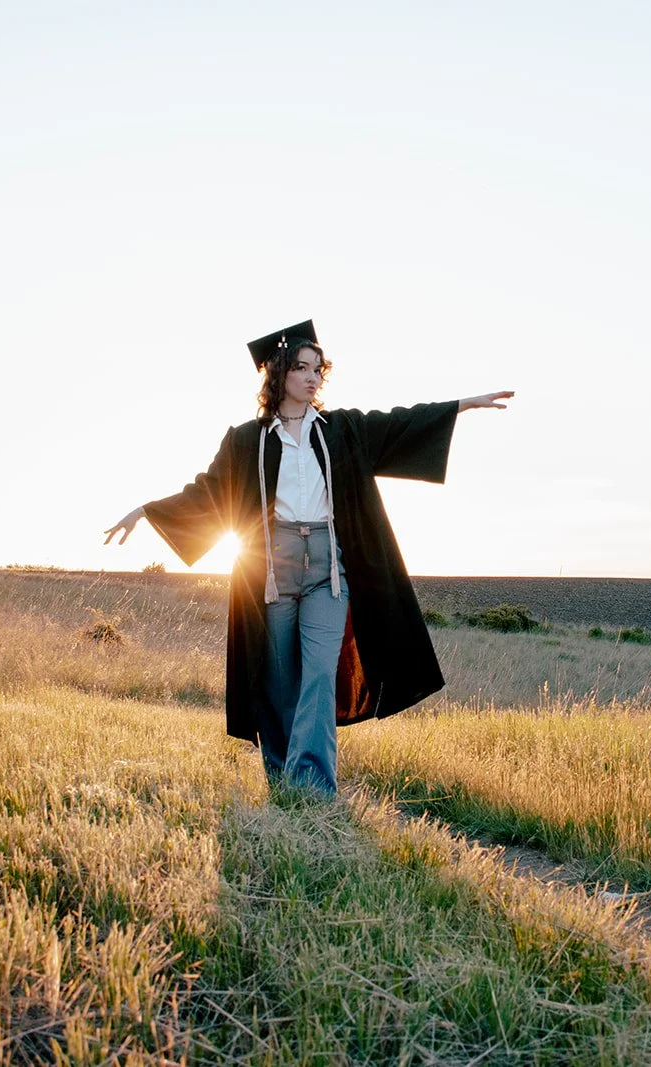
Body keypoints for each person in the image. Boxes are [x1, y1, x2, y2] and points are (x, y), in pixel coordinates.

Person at [104, 320, 512, 797]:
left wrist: (461, 405)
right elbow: (209, 491)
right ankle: (281, 779)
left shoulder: (342, 430)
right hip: (270, 568)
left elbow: (400, 420)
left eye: (318, 369)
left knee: (319, 674)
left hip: (327, 569)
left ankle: (312, 787)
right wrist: (146, 512)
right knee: (278, 679)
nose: (313, 377)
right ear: (278, 375)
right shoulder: (246, 439)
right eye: (302, 368)